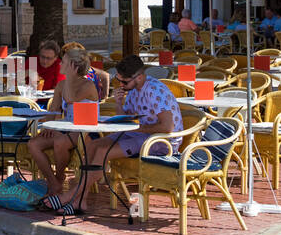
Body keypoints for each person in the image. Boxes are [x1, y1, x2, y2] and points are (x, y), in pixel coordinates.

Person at [47, 54, 182, 216]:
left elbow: (167, 127)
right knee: (94, 145)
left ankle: (72, 196)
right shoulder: (132, 89)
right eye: (119, 80)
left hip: (160, 141)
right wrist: (119, 104)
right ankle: (80, 200)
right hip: (137, 135)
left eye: (124, 81)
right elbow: (126, 118)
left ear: (139, 77)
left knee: (103, 152)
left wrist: (135, 129)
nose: (121, 85)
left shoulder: (154, 90)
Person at [27, 47, 100, 200]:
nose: (60, 65)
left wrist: (70, 78)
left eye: (64, 63)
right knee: (34, 144)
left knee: (60, 142)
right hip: (66, 126)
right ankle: (53, 182)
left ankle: (59, 177)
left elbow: (71, 98)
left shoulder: (88, 86)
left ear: (74, 66)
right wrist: (48, 125)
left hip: (86, 129)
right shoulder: (61, 86)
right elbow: (54, 110)